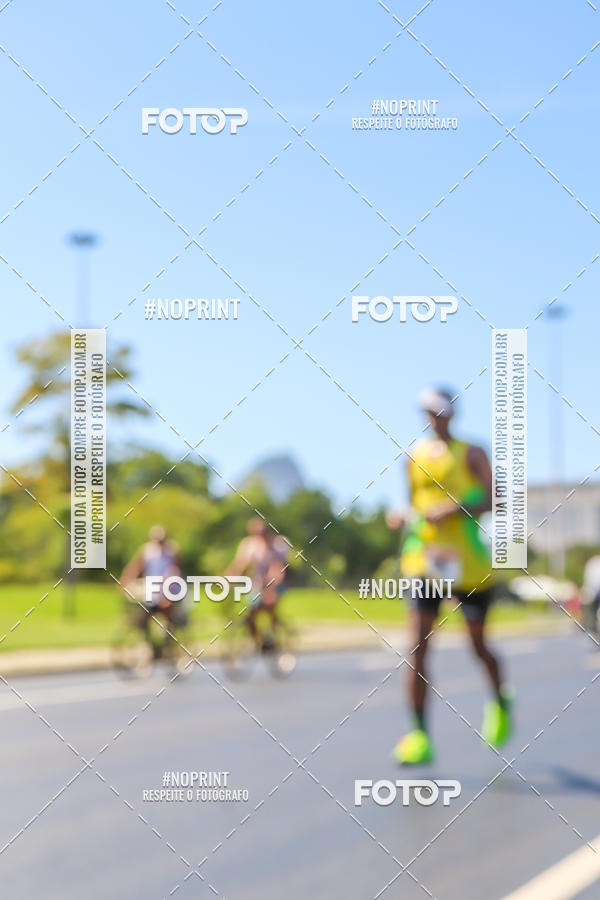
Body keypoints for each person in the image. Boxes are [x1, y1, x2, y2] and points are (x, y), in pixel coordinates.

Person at [389, 387, 512, 764]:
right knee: (418, 647)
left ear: (452, 414)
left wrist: (455, 509)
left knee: (477, 645)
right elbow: (412, 505)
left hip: (469, 562)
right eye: (429, 411)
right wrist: (401, 517)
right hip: (426, 560)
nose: (435, 418)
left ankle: (500, 700)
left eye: (441, 412)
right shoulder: (413, 457)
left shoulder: (472, 452)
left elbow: (497, 498)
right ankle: (419, 736)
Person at [120, 525, 185, 653]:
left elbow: (175, 570)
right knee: (143, 617)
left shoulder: (172, 550)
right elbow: (136, 566)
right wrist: (126, 580)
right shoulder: (147, 550)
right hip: (152, 589)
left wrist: (167, 588)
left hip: (170, 589)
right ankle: (151, 645)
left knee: (168, 611)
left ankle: (168, 639)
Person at [225, 517, 289, 646]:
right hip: (257, 583)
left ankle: (274, 632)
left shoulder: (278, 544)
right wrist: (228, 578)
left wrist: (271, 585)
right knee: (251, 612)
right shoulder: (249, 545)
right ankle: (258, 641)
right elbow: (240, 564)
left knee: (269, 604)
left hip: (275, 583)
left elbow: (278, 567)